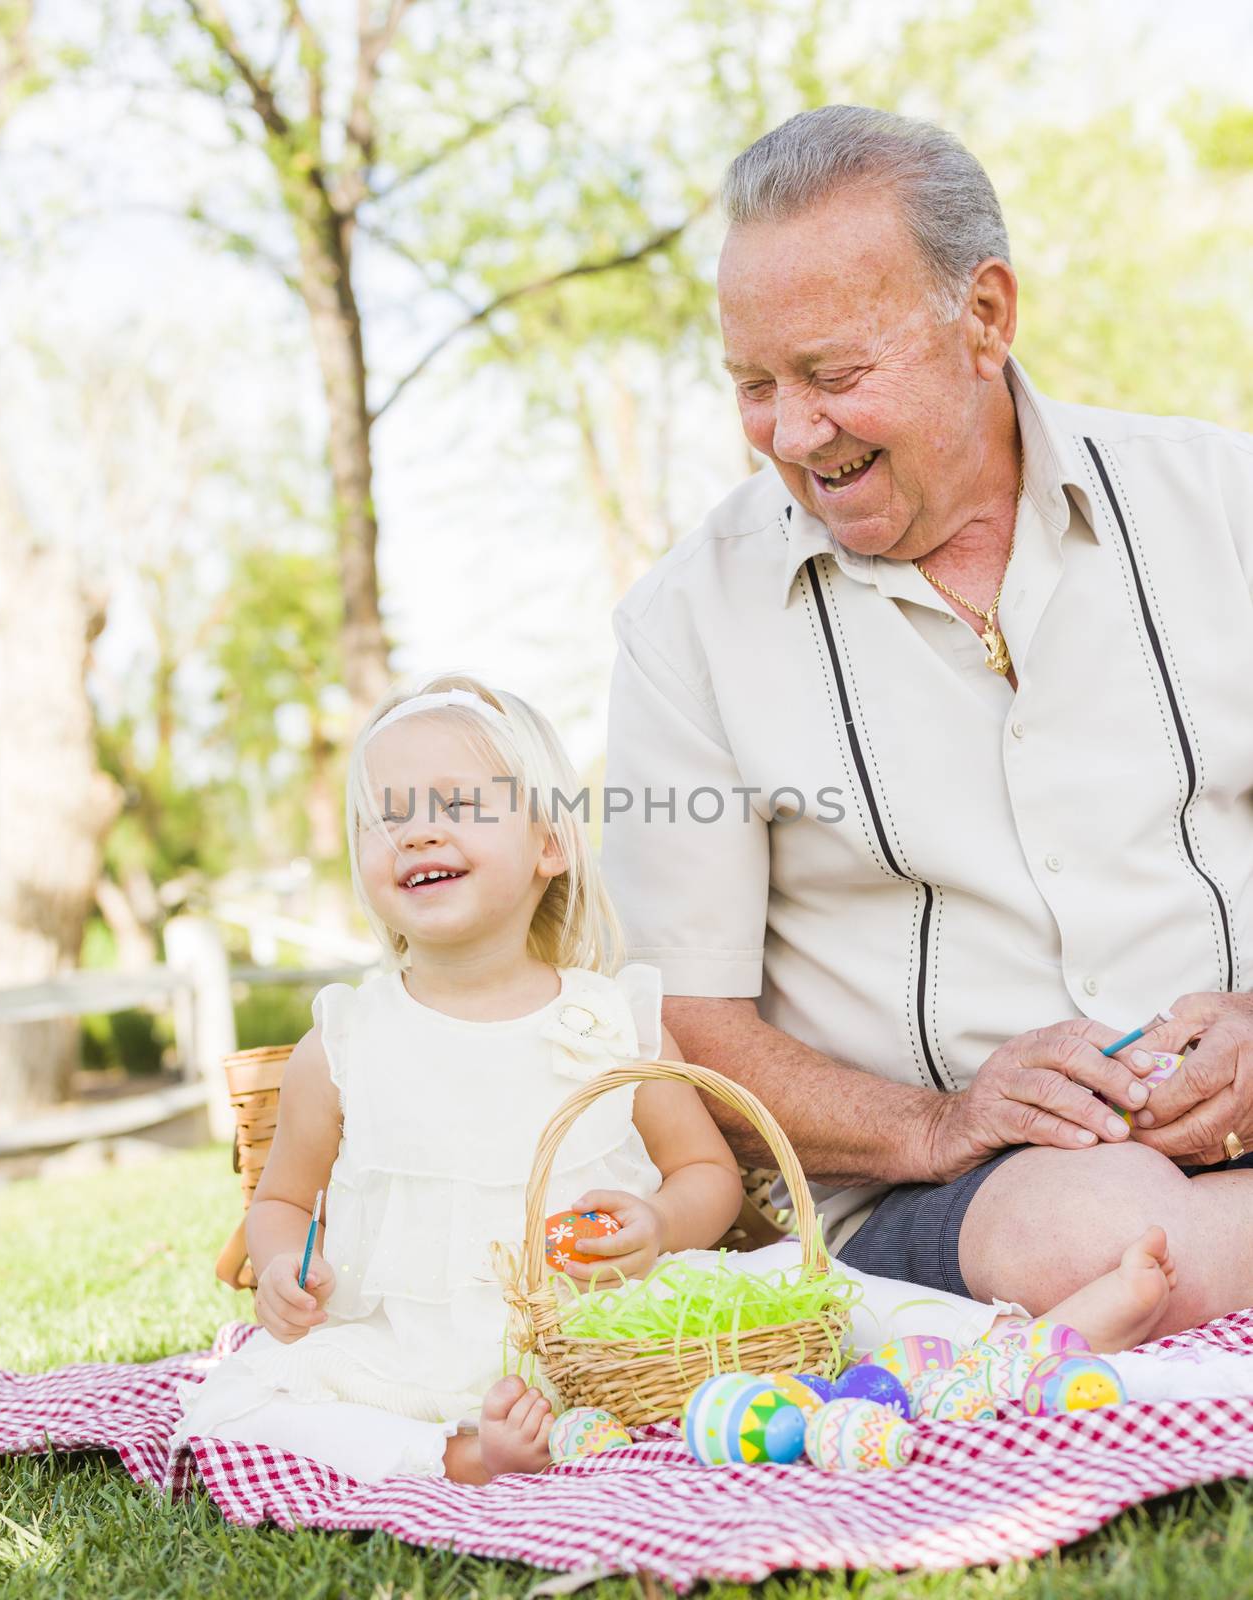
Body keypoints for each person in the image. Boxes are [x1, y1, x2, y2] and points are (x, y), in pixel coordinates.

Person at [170, 674, 1188, 1488]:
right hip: (415, 1345)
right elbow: (285, 1198)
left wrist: (659, 1226)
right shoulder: (345, 1039)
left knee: (834, 1297)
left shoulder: (607, 1017)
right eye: (385, 815)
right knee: (240, 1409)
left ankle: (1015, 1346)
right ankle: (451, 1455)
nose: (418, 831)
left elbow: (704, 1169)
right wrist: (279, 1272)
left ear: (550, 846)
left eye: (458, 806)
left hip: (617, 1330)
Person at [601, 104, 1253, 1338]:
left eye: (835, 376)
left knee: (1133, 1228)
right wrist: (942, 1122)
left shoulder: (1223, 502)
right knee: (1097, 1231)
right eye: (754, 387)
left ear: (986, 320)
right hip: (952, 1193)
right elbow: (686, 1028)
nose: (794, 434)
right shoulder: (684, 626)